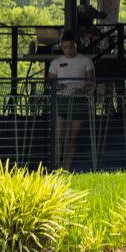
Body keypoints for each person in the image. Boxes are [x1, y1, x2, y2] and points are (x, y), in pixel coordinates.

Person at [47, 36, 95, 171]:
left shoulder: (86, 61)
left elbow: (91, 82)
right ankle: (56, 167)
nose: (68, 50)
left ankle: (66, 169)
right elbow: (50, 83)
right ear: (62, 48)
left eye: (71, 47)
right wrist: (57, 87)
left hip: (79, 101)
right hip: (61, 100)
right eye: (65, 47)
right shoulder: (56, 63)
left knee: (73, 136)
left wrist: (82, 90)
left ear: (76, 46)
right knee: (58, 136)